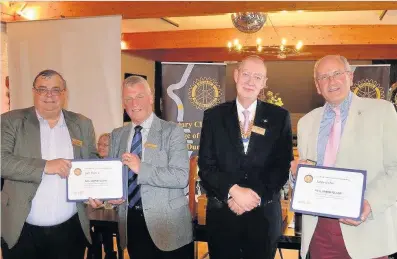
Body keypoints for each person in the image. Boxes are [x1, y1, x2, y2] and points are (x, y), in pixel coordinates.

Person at [290, 55, 397, 259]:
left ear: (350, 76)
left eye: (337, 74)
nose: (331, 81)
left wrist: (369, 203)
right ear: (317, 85)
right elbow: (307, 176)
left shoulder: (382, 112)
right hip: (319, 231)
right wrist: (297, 175)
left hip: (367, 230)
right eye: (323, 77)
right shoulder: (306, 123)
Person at [198, 55, 293, 259]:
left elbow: (281, 166)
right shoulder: (213, 116)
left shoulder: (279, 117)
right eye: (246, 74)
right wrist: (233, 192)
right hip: (223, 214)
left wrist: (252, 197)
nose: (251, 81)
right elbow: (206, 166)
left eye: (257, 77)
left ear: (264, 83)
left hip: (263, 217)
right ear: (236, 75)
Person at [1, 69, 101, 259]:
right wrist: (46, 166)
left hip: (70, 229)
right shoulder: (11, 121)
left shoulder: (82, 124)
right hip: (21, 230)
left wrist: (96, 192)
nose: (49, 95)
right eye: (42, 89)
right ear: (34, 92)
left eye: (56, 90)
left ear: (64, 93)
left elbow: (91, 161)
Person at [107, 75, 193, 259]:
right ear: (123, 103)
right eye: (128, 98)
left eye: (139, 96)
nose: (134, 103)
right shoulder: (117, 135)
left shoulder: (172, 132)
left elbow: (180, 177)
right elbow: (113, 178)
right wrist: (111, 196)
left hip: (169, 226)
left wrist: (142, 168)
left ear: (151, 97)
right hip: (132, 225)